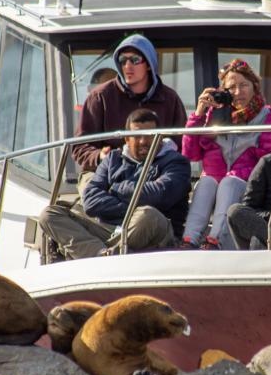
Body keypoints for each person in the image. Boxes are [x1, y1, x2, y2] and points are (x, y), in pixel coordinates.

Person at [39, 109, 190, 261]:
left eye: (150, 135)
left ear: (160, 137)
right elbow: (91, 201)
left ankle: (99, 254)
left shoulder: (176, 162)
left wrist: (117, 188)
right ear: (126, 139)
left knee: (148, 214)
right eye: (137, 136)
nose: (143, 141)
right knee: (49, 215)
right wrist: (132, 205)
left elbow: (159, 195)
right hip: (108, 228)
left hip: (151, 229)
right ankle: (102, 254)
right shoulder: (113, 159)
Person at [180, 59, 271, 250]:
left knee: (229, 182)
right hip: (219, 182)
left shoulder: (269, 118)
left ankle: (216, 240)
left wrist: (233, 173)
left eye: (244, 85)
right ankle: (189, 239)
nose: (238, 93)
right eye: (231, 88)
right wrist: (198, 114)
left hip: (250, 185)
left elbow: (268, 162)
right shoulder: (216, 116)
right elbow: (190, 153)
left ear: (255, 86)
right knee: (206, 181)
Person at [72, 34, 187, 174]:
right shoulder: (99, 97)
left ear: (149, 65)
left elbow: (183, 144)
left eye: (135, 60)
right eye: (123, 60)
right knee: (93, 193)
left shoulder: (170, 99)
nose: (127, 66)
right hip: (104, 172)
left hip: (157, 171)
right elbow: (80, 146)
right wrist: (100, 157)